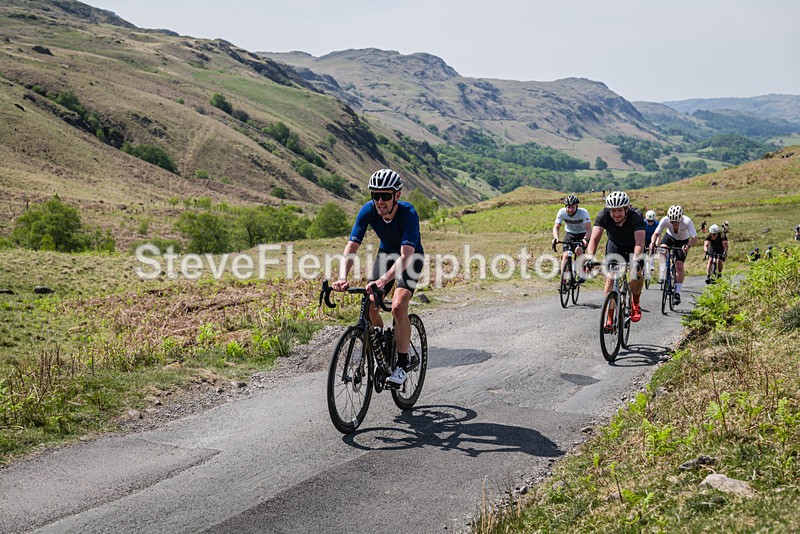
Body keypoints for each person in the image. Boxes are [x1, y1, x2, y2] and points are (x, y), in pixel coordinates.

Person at [331, 169, 424, 387]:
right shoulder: (368, 210)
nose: (380, 201)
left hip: (410, 258)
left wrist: (383, 280)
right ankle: (382, 347)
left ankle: (401, 365)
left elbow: (405, 257)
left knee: (398, 306)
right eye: (375, 195)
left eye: (385, 195)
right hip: (386, 255)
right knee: (371, 305)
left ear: (397, 195)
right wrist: (342, 277)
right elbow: (351, 247)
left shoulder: (408, 213)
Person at [585, 190, 646, 326]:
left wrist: (635, 261)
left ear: (626, 209)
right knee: (611, 277)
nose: (616, 214)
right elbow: (594, 239)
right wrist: (589, 258)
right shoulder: (603, 215)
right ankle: (609, 316)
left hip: (634, 247)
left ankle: (635, 303)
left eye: (619, 210)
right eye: (613, 211)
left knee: (635, 273)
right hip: (615, 246)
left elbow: (640, 242)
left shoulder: (636, 216)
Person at [650, 205, 698, 305]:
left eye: (676, 222)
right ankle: (664, 268)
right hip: (670, 238)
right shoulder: (665, 220)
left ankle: (677, 292)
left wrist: (688, 246)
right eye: (672, 222)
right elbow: (656, 234)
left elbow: (694, 237)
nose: (674, 224)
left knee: (679, 266)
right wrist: (653, 243)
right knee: (662, 249)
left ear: (681, 219)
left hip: (683, 241)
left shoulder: (687, 221)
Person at [552, 195, 591, 282]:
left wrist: (585, 239)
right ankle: (563, 280)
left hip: (582, 234)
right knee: (566, 255)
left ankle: (583, 271)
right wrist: (556, 238)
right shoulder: (562, 212)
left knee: (578, 250)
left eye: (573, 207)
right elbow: (556, 227)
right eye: (568, 207)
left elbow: (589, 229)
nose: (570, 209)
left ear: (577, 206)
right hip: (570, 233)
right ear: (565, 206)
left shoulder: (583, 212)